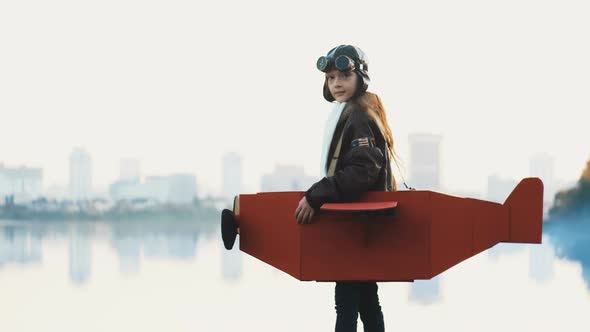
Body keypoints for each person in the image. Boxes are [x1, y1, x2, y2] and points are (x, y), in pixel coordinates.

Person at [294, 45, 399, 332]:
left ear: (359, 77)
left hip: (357, 226)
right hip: (362, 227)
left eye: (343, 76)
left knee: (347, 303)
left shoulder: (359, 116)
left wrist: (316, 196)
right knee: (366, 300)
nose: (337, 83)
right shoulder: (357, 112)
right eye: (330, 78)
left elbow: (363, 171)